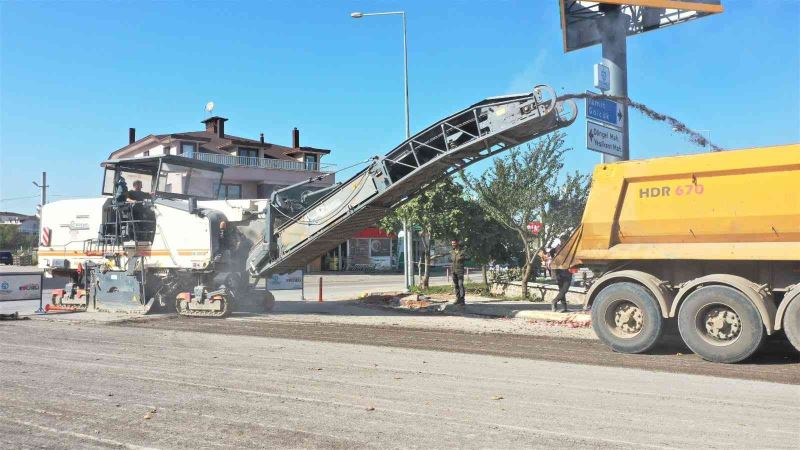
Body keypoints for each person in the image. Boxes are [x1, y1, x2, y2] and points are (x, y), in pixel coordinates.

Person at [549, 245, 572, 313]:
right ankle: (554, 301)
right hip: (563, 275)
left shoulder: (556, 256)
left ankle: (564, 307)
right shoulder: (560, 255)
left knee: (562, 291)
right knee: (564, 290)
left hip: (561, 275)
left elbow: (551, 251)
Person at [450, 239, 466, 305]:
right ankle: (457, 299)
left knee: (460, 285)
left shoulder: (462, 251)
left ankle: (462, 300)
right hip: (453, 270)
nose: (453, 244)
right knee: (456, 285)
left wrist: (462, 258)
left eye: (454, 243)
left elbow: (465, 258)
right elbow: (452, 259)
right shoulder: (452, 251)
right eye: (452, 243)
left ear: (457, 243)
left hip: (460, 271)